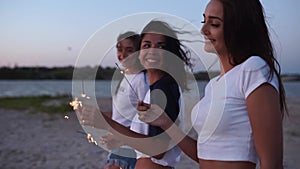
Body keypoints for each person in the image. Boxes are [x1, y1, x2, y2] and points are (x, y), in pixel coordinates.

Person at [137, 0, 287, 169]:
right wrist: (166, 123)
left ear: (238, 28)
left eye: (214, 24)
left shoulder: (253, 69)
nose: (203, 30)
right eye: (204, 21)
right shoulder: (213, 85)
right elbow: (204, 155)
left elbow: (272, 163)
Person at [78, 20, 192, 169]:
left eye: (161, 47)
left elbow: (158, 150)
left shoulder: (162, 90)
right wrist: (121, 140)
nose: (152, 51)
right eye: (146, 45)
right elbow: (148, 138)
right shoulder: (156, 89)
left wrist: (107, 124)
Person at [100, 31, 149, 169]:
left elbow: (145, 119)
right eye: (119, 49)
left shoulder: (141, 80)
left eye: (129, 50)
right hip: (117, 147)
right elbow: (122, 114)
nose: (123, 54)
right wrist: (98, 116)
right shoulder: (124, 77)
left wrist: (119, 137)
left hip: (129, 150)